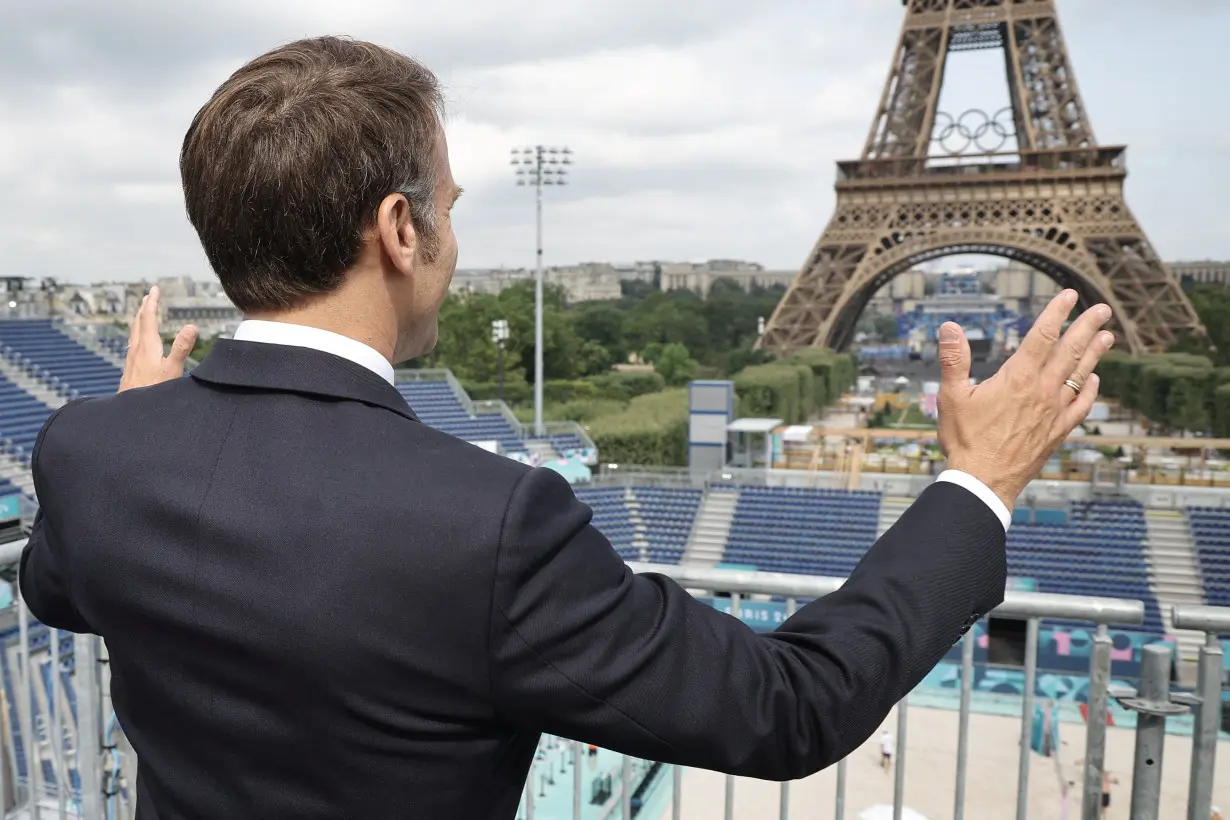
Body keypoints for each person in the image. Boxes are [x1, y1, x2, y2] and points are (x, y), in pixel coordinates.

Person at [19, 37, 1115, 819]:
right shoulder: (490, 523)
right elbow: (790, 708)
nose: (454, 237)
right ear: (401, 229)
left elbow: (58, 586)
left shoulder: (95, 454)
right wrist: (977, 483)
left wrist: (143, 426)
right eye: (448, 204)